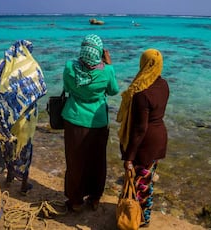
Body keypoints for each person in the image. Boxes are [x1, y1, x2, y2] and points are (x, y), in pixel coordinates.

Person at [61, 34, 119, 211]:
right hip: (98, 122)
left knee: (75, 162)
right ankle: (94, 198)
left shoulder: (70, 67)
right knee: (97, 161)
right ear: (99, 52)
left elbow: (68, 88)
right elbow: (114, 91)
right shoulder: (107, 71)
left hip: (74, 120)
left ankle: (76, 201)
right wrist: (109, 64)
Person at [116, 49, 170, 227]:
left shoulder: (141, 92)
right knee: (147, 181)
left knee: (140, 184)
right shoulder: (164, 85)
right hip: (159, 138)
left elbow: (140, 129)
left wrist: (129, 157)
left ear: (143, 64)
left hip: (145, 144)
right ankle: (144, 217)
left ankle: (138, 220)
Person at [0, 40, 47, 195]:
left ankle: (9, 178)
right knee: (24, 147)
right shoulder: (32, 65)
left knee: (8, 145)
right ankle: (24, 184)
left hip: (7, 115)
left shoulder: (2, 63)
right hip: (26, 117)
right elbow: (39, 88)